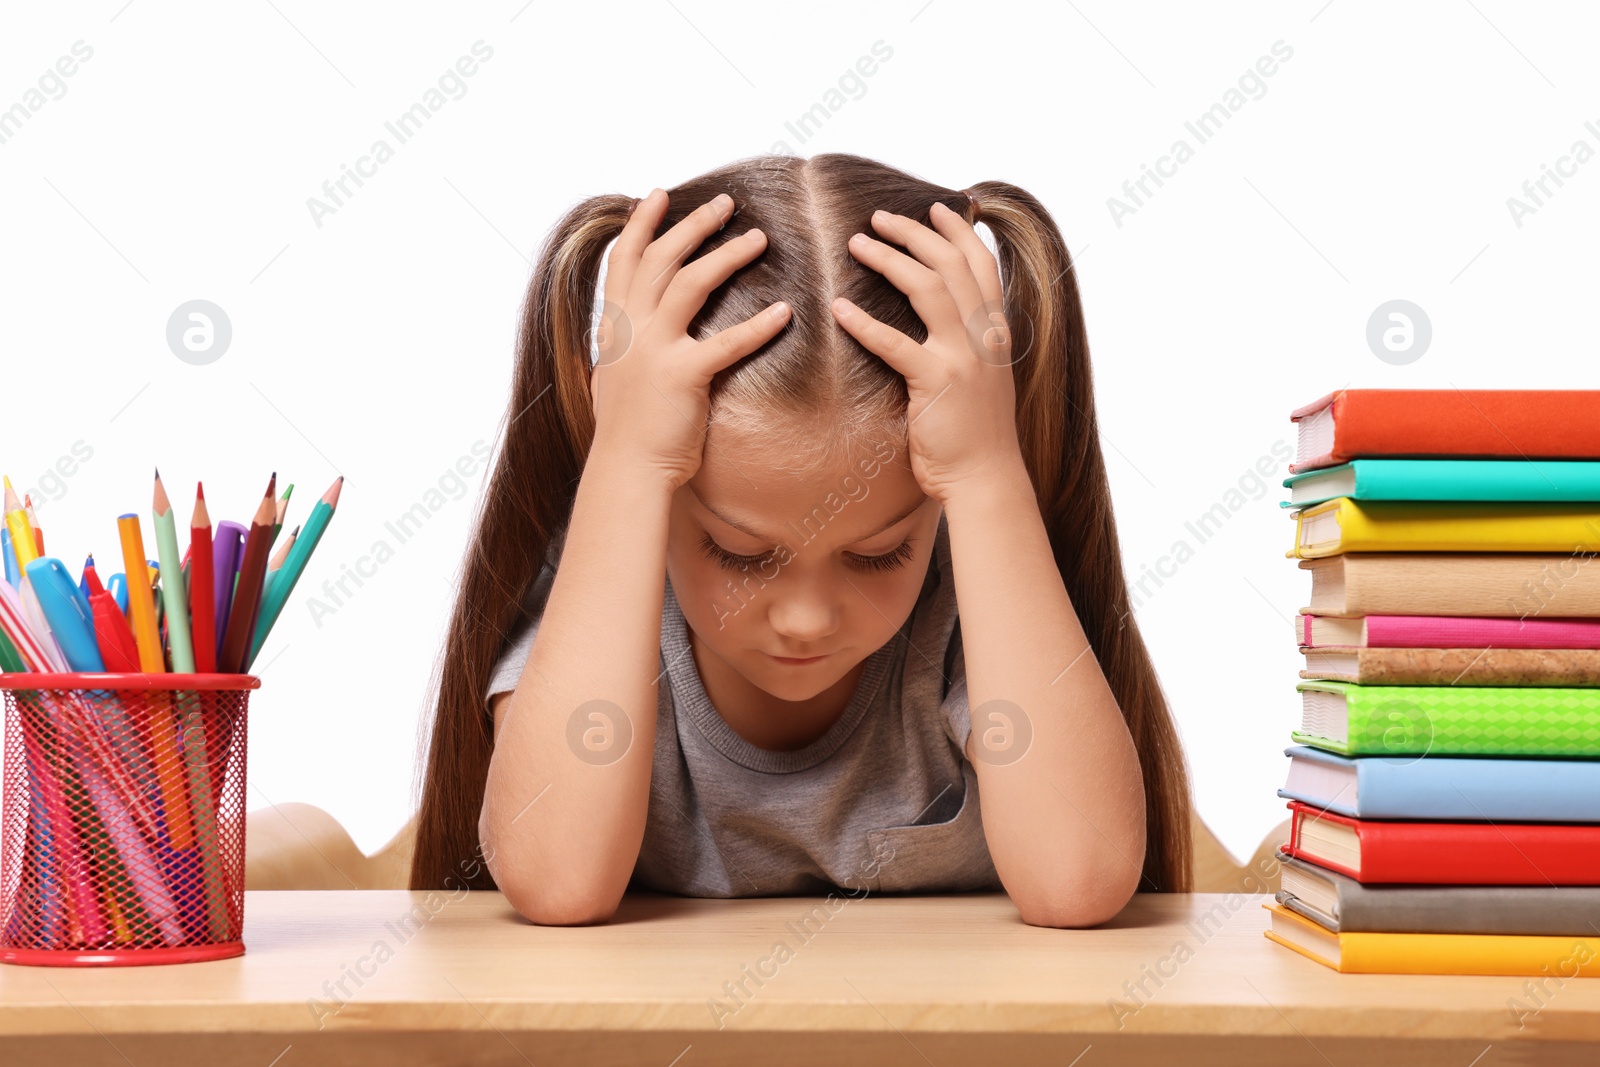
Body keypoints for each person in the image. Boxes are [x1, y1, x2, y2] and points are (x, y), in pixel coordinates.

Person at [411, 152, 1192, 928]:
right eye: (740, 553)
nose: (807, 618)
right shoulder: (600, 583)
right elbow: (555, 881)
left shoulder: (977, 593)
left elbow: (1080, 879)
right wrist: (623, 456)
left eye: (879, 552)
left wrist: (989, 471)